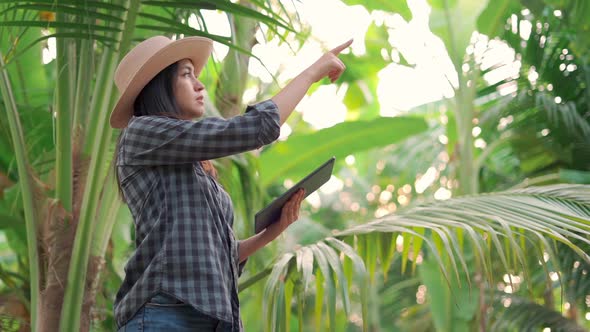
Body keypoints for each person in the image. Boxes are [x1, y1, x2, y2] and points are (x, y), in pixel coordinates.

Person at [110, 35, 352, 331]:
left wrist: (271, 232)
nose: (200, 86)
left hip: (211, 317)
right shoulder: (141, 132)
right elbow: (254, 128)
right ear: (158, 86)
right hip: (165, 315)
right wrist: (312, 72)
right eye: (187, 75)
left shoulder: (194, 165)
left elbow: (217, 253)